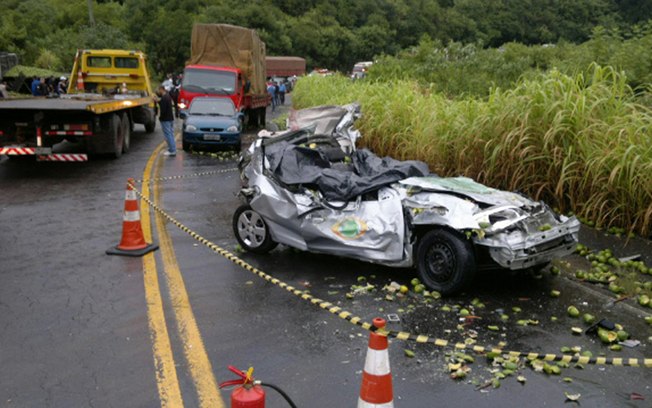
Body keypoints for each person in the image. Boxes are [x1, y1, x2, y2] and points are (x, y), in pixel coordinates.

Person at [156, 85, 176, 156]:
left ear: (162, 89)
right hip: (170, 118)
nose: (158, 92)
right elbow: (163, 104)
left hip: (165, 119)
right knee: (171, 134)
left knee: (168, 135)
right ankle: (172, 148)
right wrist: (158, 101)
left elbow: (163, 110)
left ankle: (172, 150)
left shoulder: (164, 98)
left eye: (159, 90)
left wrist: (160, 118)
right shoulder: (167, 97)